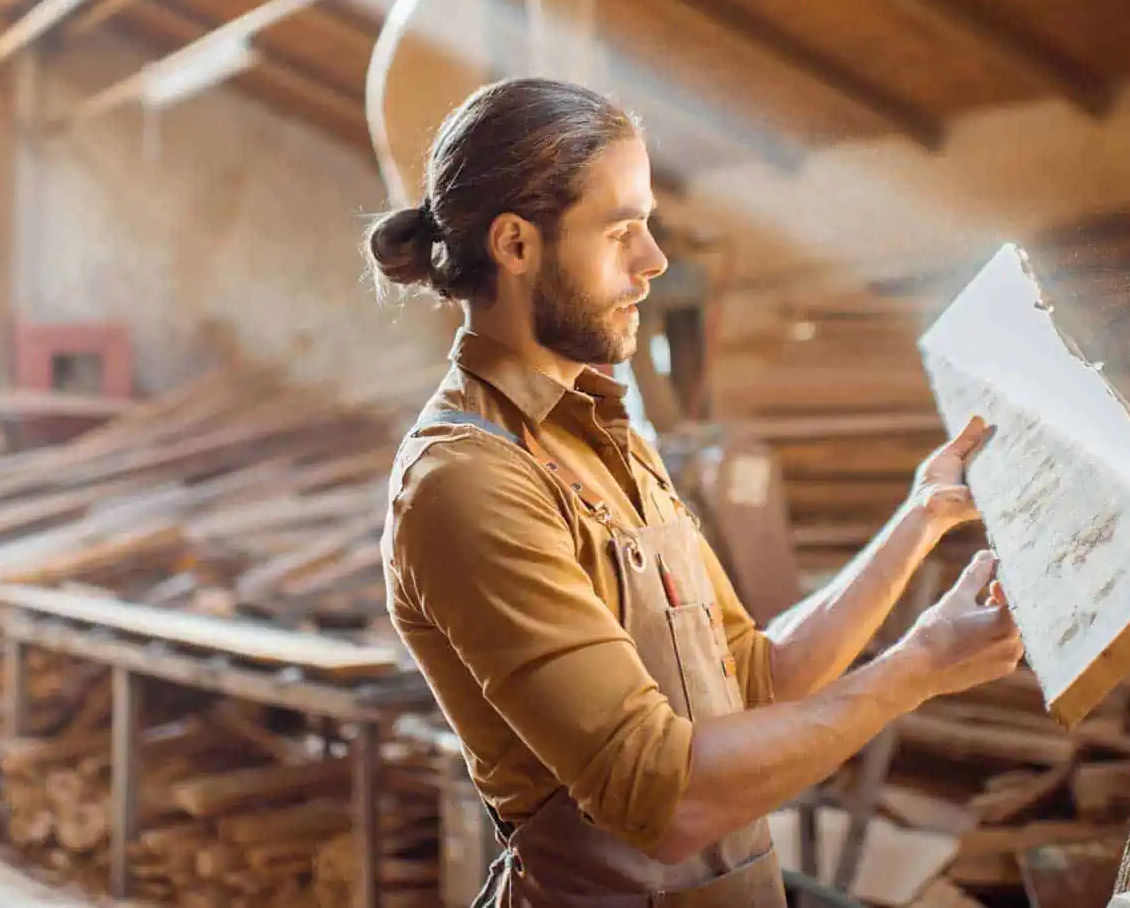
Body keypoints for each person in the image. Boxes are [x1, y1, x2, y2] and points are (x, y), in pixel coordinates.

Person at [366, 78, 1024, 906]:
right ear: (515, 244)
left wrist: (922, 515)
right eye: (620, 232)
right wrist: (918, 667)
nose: (653, 261)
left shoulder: (606, 437)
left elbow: (758, 676)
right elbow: (663, 798)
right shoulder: (468, 480)